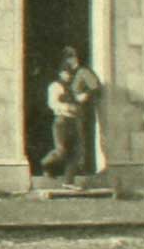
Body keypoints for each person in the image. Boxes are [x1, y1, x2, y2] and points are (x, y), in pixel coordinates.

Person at [40, 64, 83, 187]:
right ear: (60, 73)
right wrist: (67, 107)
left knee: (77, 152)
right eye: (66, 73)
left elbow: (79, 101)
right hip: (62, 120)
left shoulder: (74, 87)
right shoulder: (55, 86)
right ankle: (45, 163)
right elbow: (52, 103)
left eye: (71, 73)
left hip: (74, 121)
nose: (69, 75)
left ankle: (69, 182)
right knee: (61, 151)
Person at [61, 46, 101, 176]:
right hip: (70, 111)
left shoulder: (83, 71)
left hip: (84, 110)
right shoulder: (67, 73)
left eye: (72, 56)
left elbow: (96, 88)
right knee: (72, 140)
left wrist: (86, 95)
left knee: (83, 138)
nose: (70, 60)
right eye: (68, 57)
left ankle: (85, 168)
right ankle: (74, 169)